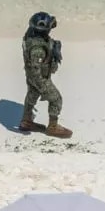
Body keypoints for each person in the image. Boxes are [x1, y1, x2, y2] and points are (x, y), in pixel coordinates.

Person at [20, 11, 72, 139]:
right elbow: (35, 70)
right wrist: (43, 87)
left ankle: (26, 121)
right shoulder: (38, 49)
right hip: (40, 77)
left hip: (31, 77)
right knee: (56, 99)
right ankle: (53, 127)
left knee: (32, 95)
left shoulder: (30, 36)